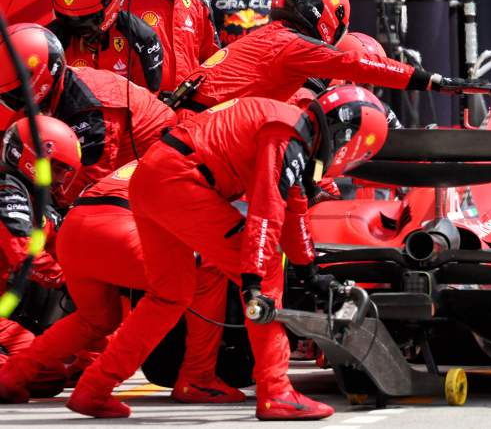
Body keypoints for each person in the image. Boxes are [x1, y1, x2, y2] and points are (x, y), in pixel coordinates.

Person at [67, 86, 389, 420]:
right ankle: (276, 391)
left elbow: (293, 209)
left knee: (169, 295)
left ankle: (94, 388)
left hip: (151, 179)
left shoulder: (290, 124)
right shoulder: (287, 134)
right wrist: (252, 277)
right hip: (181, 180)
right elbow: (267, 210)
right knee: (266, 276)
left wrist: (309, 272)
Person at [0, 160, 238, 405]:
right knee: (198, 274)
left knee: (91, 326)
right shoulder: (211, 158)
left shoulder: (157, 155)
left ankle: (14, 375)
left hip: (77, 227)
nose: (60, 176)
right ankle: (197, 377)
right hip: (117, 227)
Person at [168, 0, 468, 113]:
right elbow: (355, 64)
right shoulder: (292, 46)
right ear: (326, 14)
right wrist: (433, 81)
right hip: (196, 137)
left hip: (178, 122)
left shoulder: (266, 37)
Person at [0, 24, 176, 203]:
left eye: (12, 93)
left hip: (154, 163)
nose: (9, 100)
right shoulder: (52, 92)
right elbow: (13, 145)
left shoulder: (89, 110)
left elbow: (89, 184)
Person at [0, 117, 76, 386]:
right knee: (29, 375)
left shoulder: (35, 199)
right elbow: (24, 256)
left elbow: (66, 238)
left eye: (66, 171)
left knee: (56, 372)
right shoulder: (6, 189)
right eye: (57, 169)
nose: (61, 179)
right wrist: (67, 281)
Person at [49, 0, 163, 92]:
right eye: (67, 18)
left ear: (109, 4)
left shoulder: (142, 39)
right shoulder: (51, 41)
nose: (76, 26)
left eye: (85, 18)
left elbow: (149, 102)